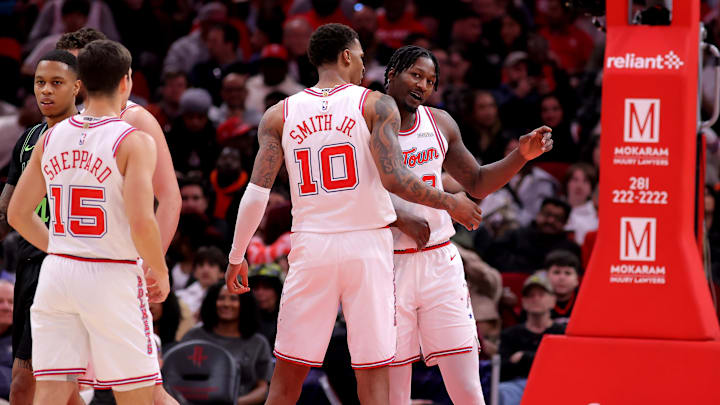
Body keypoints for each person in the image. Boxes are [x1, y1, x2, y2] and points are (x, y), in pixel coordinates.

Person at [223, 23, 482, 405]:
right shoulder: (375, 104)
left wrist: (236, 255)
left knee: (289, 373)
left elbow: (257, 192)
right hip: (367, 247)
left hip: (311, 246)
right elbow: (395, 178)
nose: (364, 65)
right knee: (373, 370)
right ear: (347, 55)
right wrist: (449, 202)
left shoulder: (279, 114)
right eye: (360, 55)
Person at [383, 45, 553, 405]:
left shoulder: (440, 122)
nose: (423, 85)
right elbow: (351, 192)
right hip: (386, 263)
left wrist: (519, 157)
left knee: (468, 389)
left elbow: (475, 181)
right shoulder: (365, 122)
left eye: (430, 80)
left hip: (439, 261)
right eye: (416, 74)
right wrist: (399, 218)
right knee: (393, 393)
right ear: (391, 74)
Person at [7, 39, 169, 405]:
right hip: (111, 274)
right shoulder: (134, 141)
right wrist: (160, 269)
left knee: (49, 392)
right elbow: (143, 221)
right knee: (137, 394)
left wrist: (64, 249)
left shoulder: (50, 137)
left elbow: (17, 213)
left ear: (80, 83)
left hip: (57, 275)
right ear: (126, 81)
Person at [56, 28, 181, 405]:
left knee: (146, 392)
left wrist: (149, 266)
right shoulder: (67, 125)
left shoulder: (136, 120)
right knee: (61, 386)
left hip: (118, 268)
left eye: (78, 64)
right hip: (73, 271)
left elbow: (170, 199)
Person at [0, 50, 81, 405]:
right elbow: (7, 207)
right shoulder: (30, 137)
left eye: (56, 83)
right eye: (40, 83)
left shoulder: (95, 136)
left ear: (78, 88)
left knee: (29, 382)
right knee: (53, 387)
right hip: (32, 264)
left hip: (76, 266)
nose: (46, 91)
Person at [182, 282, 271, 404]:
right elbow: (178, 378)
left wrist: (235, 403)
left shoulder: (258, 343)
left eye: (233, 299)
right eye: (221, 298)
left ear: (245, 305)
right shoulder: (193, 336)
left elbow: (263, 388)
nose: (226, 304)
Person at [497, 272, 565, 405]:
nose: (535, 299)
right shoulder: (510, 334)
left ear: (553, 300)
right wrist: (540, 359)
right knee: (502, 391)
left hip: (553, 385)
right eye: (530, 295)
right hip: (517, 385)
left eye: (541, 295)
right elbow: (501, 370)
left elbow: (561, 365)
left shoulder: (562, 333)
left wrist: (524, 357)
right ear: (523, 302)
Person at [544, 249, 581, 323]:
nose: (562, 278)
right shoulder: (536, 298)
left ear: (577, 279)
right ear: (546, 276)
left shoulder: (584, 300)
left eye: (568, 273)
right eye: (556, 272)